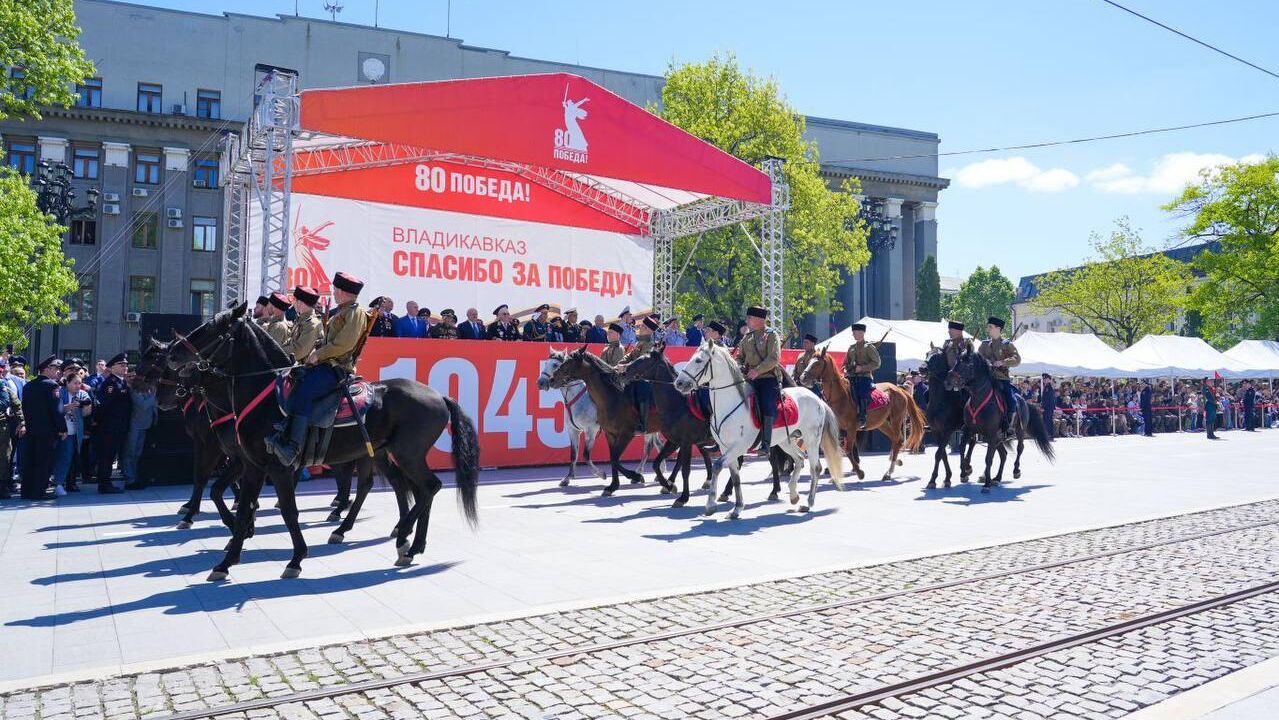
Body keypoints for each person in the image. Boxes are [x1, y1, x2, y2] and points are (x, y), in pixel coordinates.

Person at [266, 271, 369, 466]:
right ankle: (286, 427)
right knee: (294, 382)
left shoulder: (355, 312)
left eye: (336, 290)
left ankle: (293, 448)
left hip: (336, 368)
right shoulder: (343, 310)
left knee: (305, 392)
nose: (334, 292)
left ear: (344, 291)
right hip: (325, 364)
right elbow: (330, 340)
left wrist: (317, 354)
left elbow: (344, 344)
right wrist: (319, 346)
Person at [737, 306, 782, 455]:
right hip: (748, 379)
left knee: (766, 404)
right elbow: (739, 357)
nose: (747, 320)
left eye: (749, 318)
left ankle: (766, 443)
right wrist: (741, 367)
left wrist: (757, 370)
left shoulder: (771, 335)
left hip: (767, 378)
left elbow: (774, 358)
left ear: (759, 319)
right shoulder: (747, 337)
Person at [20, 356, 63, 499]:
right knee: (44, 462)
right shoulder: (52, 385)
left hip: (31, 429)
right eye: (55, 368)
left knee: (30, 460)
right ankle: (39, 491)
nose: (58, 371)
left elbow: (24, 408)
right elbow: (56, 410)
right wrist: (62, 428)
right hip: (47, 431)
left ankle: (26, 491)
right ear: (46, 369)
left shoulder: (28, 386)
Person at [93, 353, 131, 494]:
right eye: (122, 365)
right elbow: (103, 406)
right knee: (107, 456)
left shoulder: (121, 382)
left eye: (126, 365)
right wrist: (102, 424)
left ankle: (106, 481)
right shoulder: (111, 383)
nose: (125, 367)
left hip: (118, 426)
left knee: (111, 455)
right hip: (110, 427)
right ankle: (104, 484)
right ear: (112, 367)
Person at [51, 369, 92, 496]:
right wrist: (68, 407)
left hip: (75, 432)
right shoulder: (60, 393)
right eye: (74, 383)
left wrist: (86, 406)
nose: (77, 386)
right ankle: (57, 484)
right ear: (67, 383)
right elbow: (55, 410)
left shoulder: (82, 394)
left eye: (79, 383)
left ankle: (59, 482)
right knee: (64, 457)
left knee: (68, 458)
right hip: (61, 431)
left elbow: (86, 413)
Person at [978, 316, 1020, 433]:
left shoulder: (1007, 344)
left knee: (1011, 399)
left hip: (1001, 378)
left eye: (990, 327)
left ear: (998, 328)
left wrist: (1002, 362)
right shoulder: (984, 345)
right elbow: (977, 358)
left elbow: (1017, 359)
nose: (988, 329)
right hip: (986, 379)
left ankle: (1009, 424)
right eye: (988, 327)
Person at [621, 316, 658, 432]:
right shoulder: (640, 341)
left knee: (642, 391)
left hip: (645, 377)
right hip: (633, 374)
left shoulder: (650, 344)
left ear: (648, 330)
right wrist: (622, 362)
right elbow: (631, 355)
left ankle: (642, 424)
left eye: (642, 326)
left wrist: (626, 367)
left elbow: (642, 362)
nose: (640, 327)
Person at [122, 374, 157, 490]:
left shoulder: (147, 391)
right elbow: (144, 405)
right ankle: (129, 479)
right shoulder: (134, 391)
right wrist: (154, 395)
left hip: (145, 425)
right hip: (135, 426)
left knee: (137, 453)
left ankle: (135, 478)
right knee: (130, 453)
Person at [842, 323, 880, 428]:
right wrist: (845, 369)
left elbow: (877, 363)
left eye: (855, 332)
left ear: (861, 333)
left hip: (864, 377)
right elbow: (845, 363)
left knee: (862, 391)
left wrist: (862, 368)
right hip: (851, 376)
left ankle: (862, 417)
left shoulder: (868, 347)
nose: (853, 335)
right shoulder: (851, 348)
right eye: (853, 333)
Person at [0, 359, 23, 499]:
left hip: (2, 426)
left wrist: (22, 422)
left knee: (4, 457)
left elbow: (14, 404)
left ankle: (3, 487)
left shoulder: (4, 386)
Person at [284, 286, 325, 363]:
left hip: (307, 370)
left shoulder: (312, 324)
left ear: (301, 302)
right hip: (298, 366)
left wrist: (278, 352)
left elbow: (299, 350)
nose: (293, 303)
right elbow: (291, 342)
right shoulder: (301, 320)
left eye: (295, 300)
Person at [1042, 374, 1058, 440]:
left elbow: (1048, 399)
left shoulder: (1048, 387)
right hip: (1048, 407)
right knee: (1048, 421)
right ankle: (1050, 434)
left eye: (1045, 379)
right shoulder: (1047, 386)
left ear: (1049, 379)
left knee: (1047, 421)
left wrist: (1044, 407)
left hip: (1048, 407)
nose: (1044, 380)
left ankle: (1049, 435)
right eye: (1043, 379)